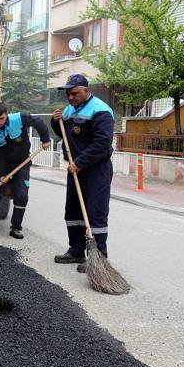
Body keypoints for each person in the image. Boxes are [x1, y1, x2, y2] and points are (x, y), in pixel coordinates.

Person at [50, 74, 114, 272]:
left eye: (74, 93)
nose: (70, 97)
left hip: (96, 170)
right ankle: (76, 250)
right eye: (68, 94)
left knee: (95, 213)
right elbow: (66, 134)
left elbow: (102, 144)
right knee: (74, 211)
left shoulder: (100, 110)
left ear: (87, 90)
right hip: (76, 169)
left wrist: (80, 162)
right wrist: (55, 122)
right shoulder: (70, 111)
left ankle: (98, 257)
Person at [0, 102, 51, 240]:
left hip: (22, 163)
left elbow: (38, 121)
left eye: (1, 118)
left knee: (21, 195)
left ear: (6, 114)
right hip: (4, 165)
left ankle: (16, 228)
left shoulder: (19, 118)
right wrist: (3, 173)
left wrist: (45, 139)